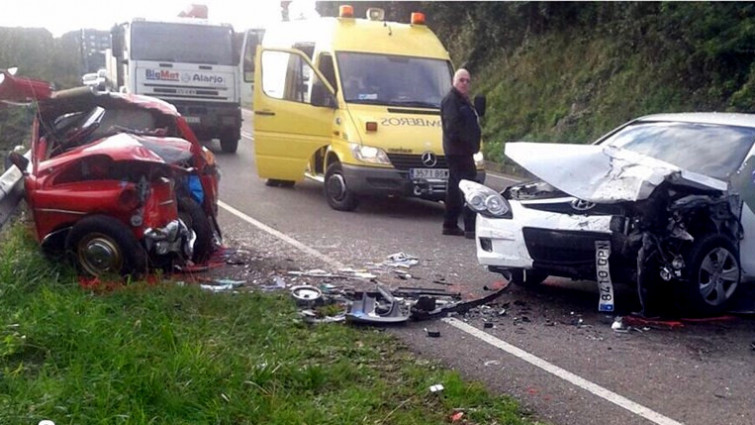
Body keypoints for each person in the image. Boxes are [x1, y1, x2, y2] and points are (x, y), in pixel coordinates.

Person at [440, 68, 481, 238]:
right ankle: (471, 227)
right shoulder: (451, 101)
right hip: (458, 152)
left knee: (455, 189)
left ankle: (449, 225)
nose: (464, 83)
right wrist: (468, 142)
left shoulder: (463, 101)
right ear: (454, 82)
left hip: (463, 152)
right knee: (469, 189)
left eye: (467, 81)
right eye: (461, 80)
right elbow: (452, 128)